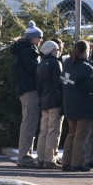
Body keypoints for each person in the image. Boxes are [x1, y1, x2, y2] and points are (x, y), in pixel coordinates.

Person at [61, 40, 93, 172]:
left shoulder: (67, 64)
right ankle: (77, 163)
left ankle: (66, 162)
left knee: (71, 133)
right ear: (84, 52)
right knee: (81, 136)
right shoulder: (86, 68)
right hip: (84, 106)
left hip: (70, 104)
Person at [11, 21, 42, 168]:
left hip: (25, 90)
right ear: (33, 38)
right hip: (29, 90)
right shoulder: (28, 52)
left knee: (29, 123)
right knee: (29, 123)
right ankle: (24, 157)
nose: (40, 40)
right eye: (39, 37)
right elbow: (35, 70)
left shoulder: (24, 50)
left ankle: (25, 155)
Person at [36, 40, 64, 169]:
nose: (58, 51)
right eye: (57, 49)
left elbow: (39, 86)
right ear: (51, 50)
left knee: (43, 131)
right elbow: (58, 84)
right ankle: (50, 159)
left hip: (44, 101)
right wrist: (62, 99)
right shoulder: (56, 64)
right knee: (54, 131)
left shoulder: (41, 64)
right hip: (54, 101)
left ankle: (41, 158)